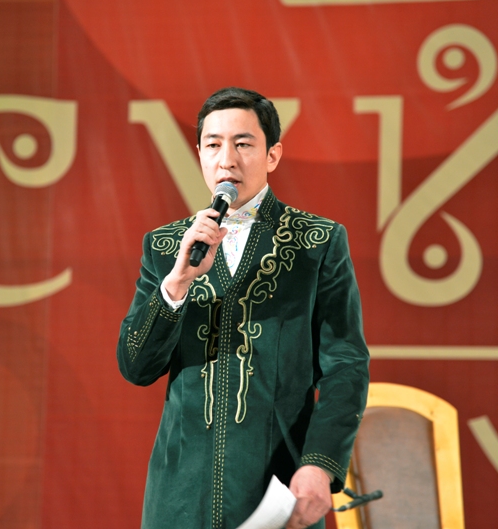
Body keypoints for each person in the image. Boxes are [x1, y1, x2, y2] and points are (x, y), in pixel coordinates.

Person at [117, 87, 369, 529]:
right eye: (213, 145)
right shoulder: (166, 246)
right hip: (179, 495)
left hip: (277, 485)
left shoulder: (316, 241)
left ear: (272, 155)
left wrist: (319, 463)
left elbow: (346, 364)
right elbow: (136, 366)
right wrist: (176, 283)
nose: (227, 160)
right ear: (199, 154)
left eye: (243, 144)